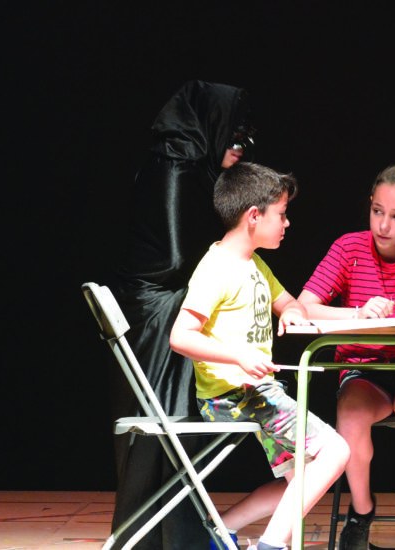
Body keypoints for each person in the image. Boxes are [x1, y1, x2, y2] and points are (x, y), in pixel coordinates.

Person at [112, 80, 263, 550]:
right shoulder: (174, 170)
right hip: (158, 313)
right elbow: (176, 261)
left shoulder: (188, 169)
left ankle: (178, 535)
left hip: (170, 301)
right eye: (233, 135)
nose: (240, 146)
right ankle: (161, 538)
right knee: (169, 431)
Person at [169, 162, 350, 550]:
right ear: (254, 216)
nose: (287, 224)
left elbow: (289, 303)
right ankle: (270, 546)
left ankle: (218, 533)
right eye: (281, 215)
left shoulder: (254, 263)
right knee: (335, 450)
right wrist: (237, 356)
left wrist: (294, 315)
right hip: (236, 396)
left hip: (255, 391)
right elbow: (180, 336)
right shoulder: (215, 269)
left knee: (298, 479)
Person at [297, 157, 395, 550]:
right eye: (377, 212)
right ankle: (361, 511)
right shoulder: (349, 248)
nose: (384, 225)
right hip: (363, 372)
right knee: (351, 418)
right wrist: (356, 312)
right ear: (369, 204)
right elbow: (305, 305)